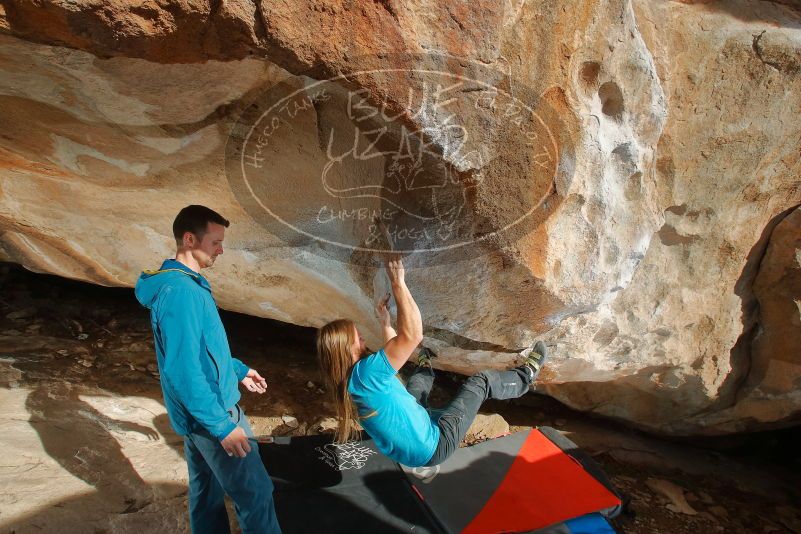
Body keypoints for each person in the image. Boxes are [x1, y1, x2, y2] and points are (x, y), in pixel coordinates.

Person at [316, 256, 548, 468]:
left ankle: (425, 363)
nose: (361, 335)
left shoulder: (354, 380)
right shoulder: (366, 374)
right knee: (480, 382)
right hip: (435, 446)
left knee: (415, 389)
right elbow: (413, 336)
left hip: (414, 448)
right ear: (346, 346)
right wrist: (398, 283)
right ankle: (525, 375)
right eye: (356, 334)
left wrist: (385, 322)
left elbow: (396, 351)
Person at [134, 205, 280, 534]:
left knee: (206, 496)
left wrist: (238, 369)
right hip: (213, 414)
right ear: (189, 239)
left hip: (198, 417)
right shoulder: (181, 293)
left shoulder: (183, 283)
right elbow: (183, 371)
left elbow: (203, 352)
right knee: (256, 493)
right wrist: (222, 426)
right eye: (215, 242)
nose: (221, 250)